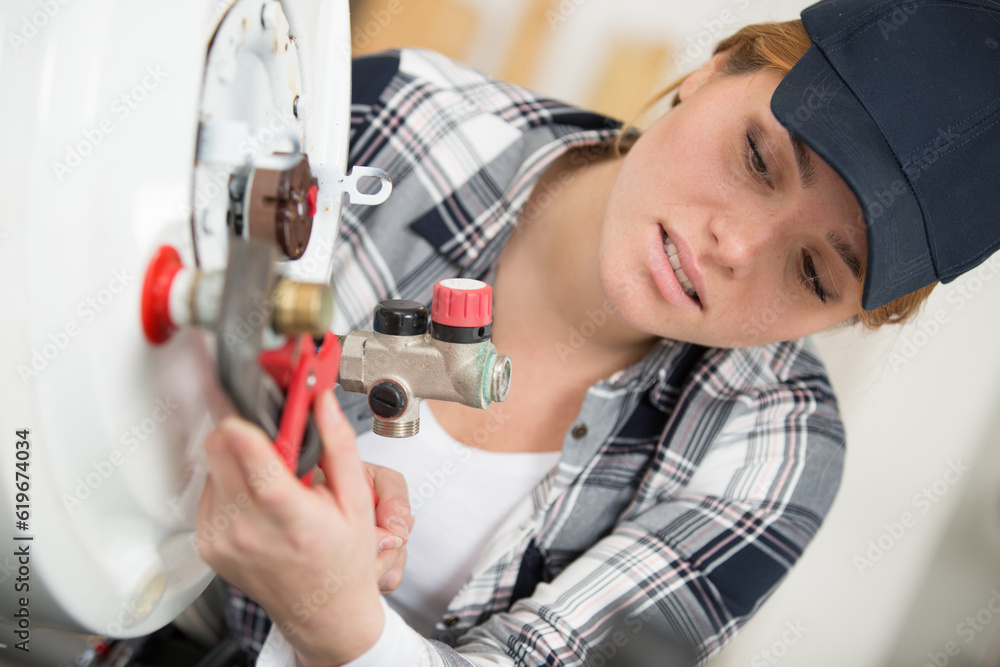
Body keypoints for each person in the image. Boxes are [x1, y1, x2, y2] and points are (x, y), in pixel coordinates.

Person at [197, 0, 1000, 664]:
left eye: (815, 273)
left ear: (845, 320)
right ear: (710, 71)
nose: (737, 246)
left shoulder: (774, 447)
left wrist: (343, 627)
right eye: (758, 158)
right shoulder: (395, 116)